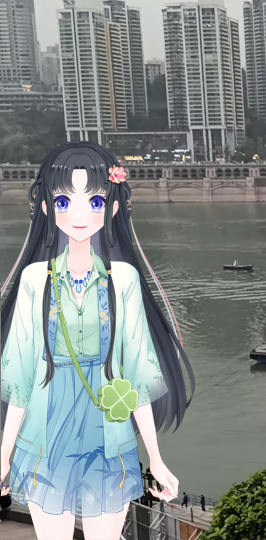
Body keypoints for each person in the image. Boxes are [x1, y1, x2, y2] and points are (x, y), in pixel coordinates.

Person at [0, 142, 195, 540]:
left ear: (114, 208)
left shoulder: (123, 279)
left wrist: (155, 459)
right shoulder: (35, 280)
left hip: (108, 426)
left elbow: (139, 370)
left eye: (93, 202)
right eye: (62, 201)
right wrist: (2, 457)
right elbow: (18, 375)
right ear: (44, 207)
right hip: (43, 427)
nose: (78, 215)